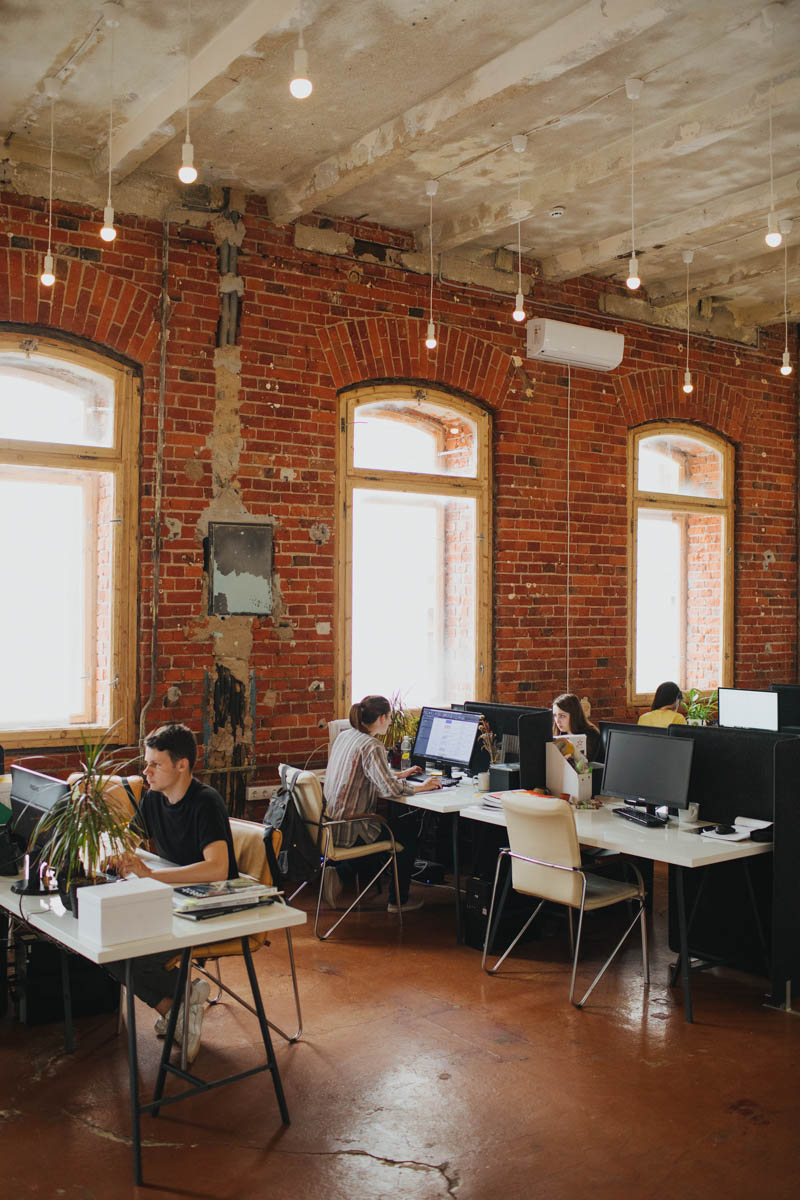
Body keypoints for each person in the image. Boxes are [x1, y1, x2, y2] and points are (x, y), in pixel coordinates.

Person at [106, 723, 237, 1062]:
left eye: (155, 764)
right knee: (105, 944)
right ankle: (180, 1006)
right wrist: (115, 854)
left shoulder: (205, 802)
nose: (146, 772)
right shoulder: (153, 798)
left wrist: (152, 875)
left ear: (182, 765)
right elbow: (128, 839)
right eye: (146, 763)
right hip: (173, 900)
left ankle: (178, 1006)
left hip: (210, 905)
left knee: (130, 952)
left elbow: (217, 869)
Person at [323, 695, 443, 913]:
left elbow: (367, 773)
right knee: (407, 834)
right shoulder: (372, 745)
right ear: (381, 718)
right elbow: (389, 790)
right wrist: (422, 787)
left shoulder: (346, 736)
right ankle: (397, 901)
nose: (390, 722)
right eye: (389, 717)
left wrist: (399, 774)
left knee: (394, 827)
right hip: (352, 826)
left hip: (330, 824)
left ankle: (341, 873)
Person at [552, 692, 601, 762]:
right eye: (555, 715)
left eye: (562, 716)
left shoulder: (592, 734)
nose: (557, 721)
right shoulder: (557, 733)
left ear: (574, 716)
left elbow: (588, 763)